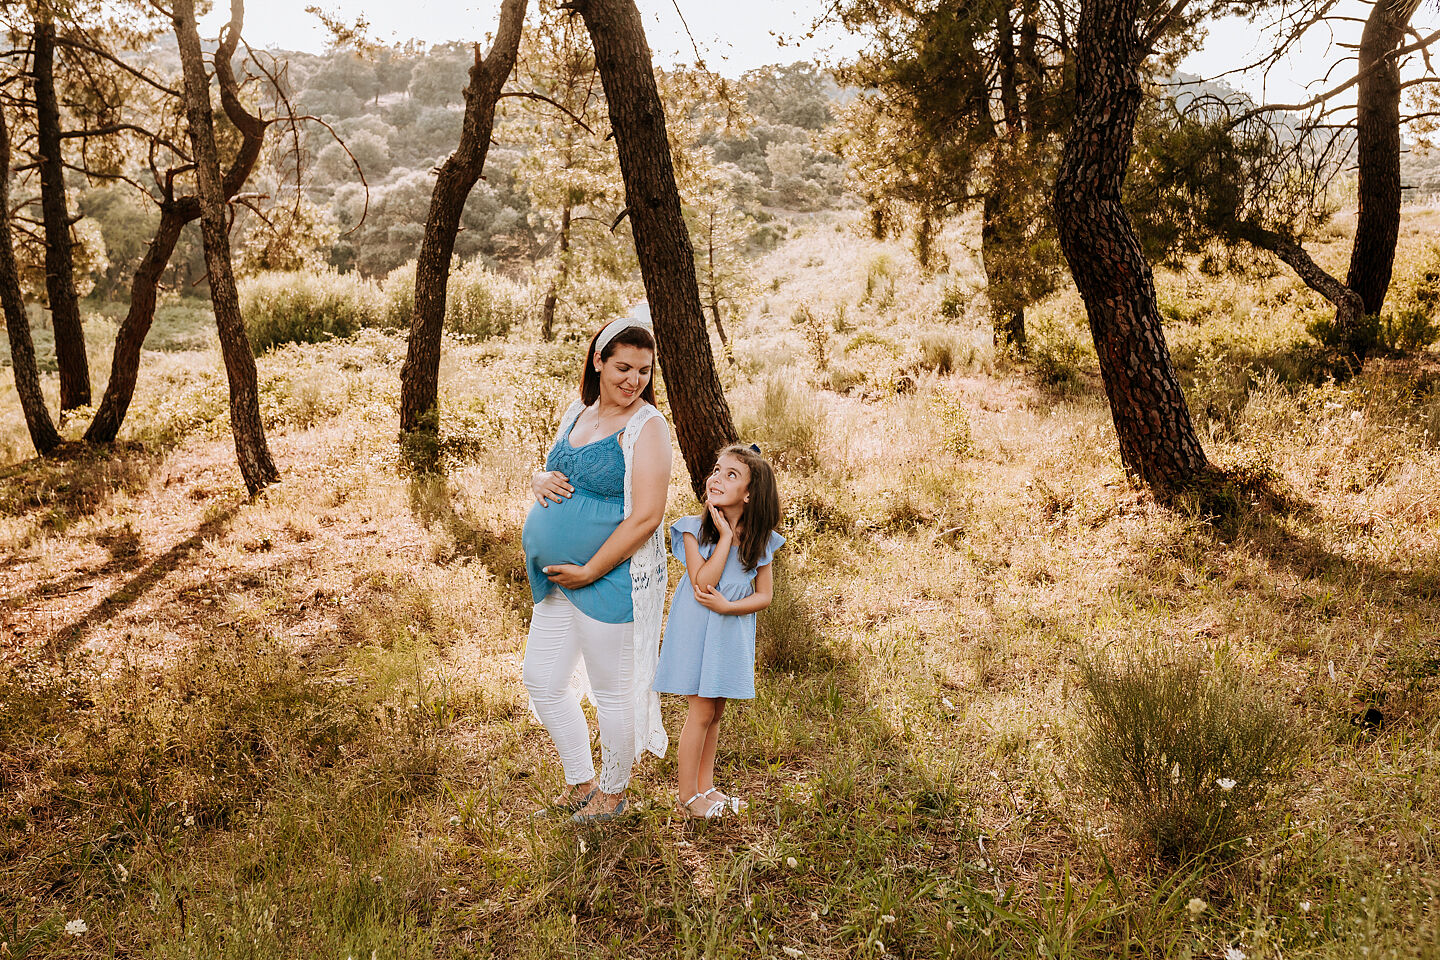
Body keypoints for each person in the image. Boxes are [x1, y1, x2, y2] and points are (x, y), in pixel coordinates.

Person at [521, 306, 672, 823]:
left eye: (644, 370)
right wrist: (538, 478)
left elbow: (647, 516)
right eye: (623, 367)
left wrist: (590, 570)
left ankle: (612, 794)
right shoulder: (577, 411)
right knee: (542, 680)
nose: (634, 380)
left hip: (609, 578)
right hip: (558, 581)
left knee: (613, 692)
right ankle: (580, 780)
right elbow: (556, 471)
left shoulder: (648, 427)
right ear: (598, 361)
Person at [652, 444, 783, 819]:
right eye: (716, 470)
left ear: (749, 494)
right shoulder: (693, 530)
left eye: (731, 474)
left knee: (716, 712)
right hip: (697, 633)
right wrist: (724, 538)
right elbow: (703, 583)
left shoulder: (760, 540)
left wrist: (729, 608)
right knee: (701, 711)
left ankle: (706, 787)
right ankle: (687, 797)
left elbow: (764, 596)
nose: (717, 478)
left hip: (728, 635)